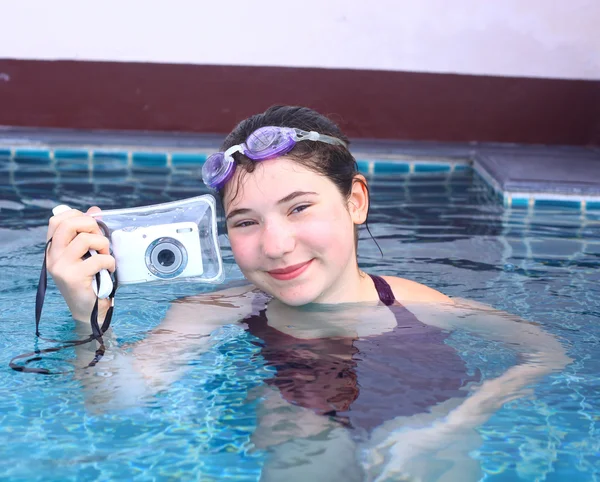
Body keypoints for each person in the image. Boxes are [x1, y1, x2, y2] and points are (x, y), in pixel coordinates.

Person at [46, 105, 570, 481]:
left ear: (356, 201)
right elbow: (115, 403)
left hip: (428, 440)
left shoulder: (417, 303)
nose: (276, 245)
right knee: (297, 434)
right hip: (296, 430)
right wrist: (87, 319)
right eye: (245, 221)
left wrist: (452, 423)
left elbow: (545, 351)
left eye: (299, 208)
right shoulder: (206, 313)